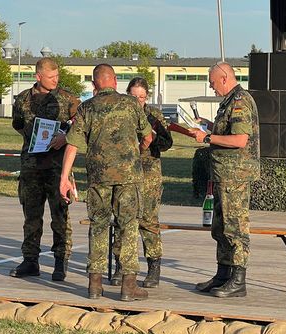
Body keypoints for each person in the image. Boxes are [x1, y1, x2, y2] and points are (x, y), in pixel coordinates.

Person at [60, 64, 153, 301]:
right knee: (128, 227)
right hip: (128, 178)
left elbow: (72, 144)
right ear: (115, 80)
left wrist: (64, 178)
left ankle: (94, 284)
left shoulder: (86, 108)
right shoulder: (131, 104)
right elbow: (148, 136)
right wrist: (136, 152)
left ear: (94, 84)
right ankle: (128, 286)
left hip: (98, 178)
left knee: (98, 226)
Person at [188, 61, 260, 298]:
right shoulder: (229, 101)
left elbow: (240, 140)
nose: (211, 88)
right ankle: (223, 274)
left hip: (235, 176)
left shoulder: (240, 101)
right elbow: (228, 132)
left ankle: (238, 280)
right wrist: (209, 126)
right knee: (220, 227)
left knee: (234, 228)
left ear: (224, 77)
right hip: (223, 175)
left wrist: (208, 137)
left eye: (212, 83)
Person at [10, 57, 81, 282]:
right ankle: (30, 260)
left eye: (57, 76)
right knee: (31, 216)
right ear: (38, 77)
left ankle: (61, 261)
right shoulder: (22, 99)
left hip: (57, 167)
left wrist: (64, 137)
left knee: (60, 216)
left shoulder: (68, 99)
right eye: (51, 77)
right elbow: (19, 125)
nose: (55, 80)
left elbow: (82, 126)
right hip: (31, 167)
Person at [110, 77, 173, 288]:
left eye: (142, 97)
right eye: (134, 96)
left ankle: (154, 266)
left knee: (148, 221)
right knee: (122, 220)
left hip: (148, 174)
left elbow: (166, 142)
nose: (138, 101)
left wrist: (152, 137)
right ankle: (122, 265)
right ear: (126, 94)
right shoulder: (119, 113)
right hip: (124, 173)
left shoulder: (153, 115)